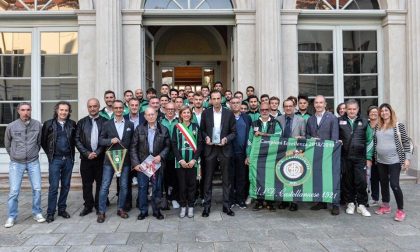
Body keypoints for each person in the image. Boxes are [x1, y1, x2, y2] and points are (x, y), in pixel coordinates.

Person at [4, 102, 46, 228]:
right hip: (16, 163)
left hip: (33, 161)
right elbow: (7, 144)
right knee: (14, 191)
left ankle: (37, 212)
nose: (25, 112)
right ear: (18, 111)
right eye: (23, 110)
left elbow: (39, 142)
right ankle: (11, 216)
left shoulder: (37, 125)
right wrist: (15, 154)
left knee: (37, 188)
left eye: (28, 109)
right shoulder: (11, 126)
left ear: (31, 110)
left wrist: (33, 152)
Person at [96, 100, 134, 223]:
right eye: (116, 108)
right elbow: (101, 140)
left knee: (124, 186)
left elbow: (133, 143)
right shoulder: (107, 124)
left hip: (125, 160)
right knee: (105, 185)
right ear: (113, 109)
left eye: (120, 108)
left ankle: (121, 209)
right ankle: (101, 211)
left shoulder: (130, 124)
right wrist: (109, 141)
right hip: (110, 160)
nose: (118, 110)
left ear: (124, 109)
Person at [200, 90, 237, 217]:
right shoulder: (206, 113)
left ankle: (226, 206)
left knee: (226, 179)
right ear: (210, 100)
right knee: (207, 179)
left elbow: (234, 132)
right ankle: (206, 207)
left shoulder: (229, 113)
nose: (216, 101)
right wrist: (206, 138)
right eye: (213, 99)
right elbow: (202, 131)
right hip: (210, 149)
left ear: (221, 99)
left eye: (218, 98)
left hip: (224, 149)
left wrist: (226, 139)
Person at [130, 107, 170, 220]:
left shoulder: (164, 129)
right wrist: (136, 163)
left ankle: (157, 211)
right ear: (145, 116)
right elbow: (133, 147)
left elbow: (168, 146)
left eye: (153, 114)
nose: (151, 116)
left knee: (157, 188)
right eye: (148, 114)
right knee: (142, 187)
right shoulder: (139, 129)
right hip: (143, 163)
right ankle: (143, 211)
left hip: (157, 163)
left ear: (156, 115)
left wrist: (160, 156)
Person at [374, 103, 411, 222]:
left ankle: (400, 210)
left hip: (395, 161)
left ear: (390, 112)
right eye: (382, 111)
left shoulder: (398, 126)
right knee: (383, 183)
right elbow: (375, 143)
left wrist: (407, 159)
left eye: (386, 110)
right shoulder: (378, 126)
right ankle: (386, 206)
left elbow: (406, 142)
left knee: (394, 184)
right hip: (381, 161)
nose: (384, 113)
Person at [41, 101, 77, 223]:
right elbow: (43, 142)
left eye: (66, 110)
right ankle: (50, 212)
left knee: (66, 185)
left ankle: (62, 209)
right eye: (61, 110)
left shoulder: (72, 124)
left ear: (69, 112)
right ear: (57, 110)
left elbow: (75, 141)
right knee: (54, 186)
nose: (63, 112)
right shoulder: (48, 124)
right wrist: (51, 155)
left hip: (68, 159)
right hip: (55, 160)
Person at [306, 95, 340, 215]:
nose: (319, 105)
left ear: (325, 104)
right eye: (316, 103)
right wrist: (311, 138)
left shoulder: (332, 118)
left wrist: (331, 153)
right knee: (318, 178)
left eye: (321, 103)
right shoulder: (310, 119)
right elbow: (307, 136)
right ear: (314, 105)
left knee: (333, 179)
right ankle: (321, 202)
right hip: (316, 155)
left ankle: (335, 204)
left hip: (329, 154)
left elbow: (335, 137)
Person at [338, 99, 372, 217]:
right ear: (346, 109)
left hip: (360, 158)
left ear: (358, 109)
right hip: (345, 157)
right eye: (349, 109)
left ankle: (361, 204)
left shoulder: (364, 121)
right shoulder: (339, 121)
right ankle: (351, 203)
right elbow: (335, 138)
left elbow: (369, 141)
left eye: (354, 109)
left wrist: (368, 158)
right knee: (348, 181)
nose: (352, 111)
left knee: (361, 181)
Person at [245, 102, 282, 211]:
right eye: (262, 110)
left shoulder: (276, 123)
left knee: (270, 178)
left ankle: (270, 202)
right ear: (259, 111)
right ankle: (259, 201)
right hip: (257, 156)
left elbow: (278, 136)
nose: (264, 111)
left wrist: (263, 134)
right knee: (258, 178)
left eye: (266, 109)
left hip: (271, 156)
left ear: (270, 110)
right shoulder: (254, 123)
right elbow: (250, 141)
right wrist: (248, 155)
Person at [75, 98, 106, 216]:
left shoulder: (105, 122)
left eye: (95, 106)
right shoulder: (81, 122)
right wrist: (87, 153)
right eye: (90, 106)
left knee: (100, 184)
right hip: (86, 159)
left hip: (101, 158)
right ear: (88, 108)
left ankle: (99, 205)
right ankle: (88, 206)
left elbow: (106, 139)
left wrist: (97, 152)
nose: (92, 108)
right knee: (87, 184)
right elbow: (77, 140)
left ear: (99, 107)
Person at [172, 106, 203, 218]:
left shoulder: (196, 127)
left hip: (193, 162)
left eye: (188, 113)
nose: (186, 114)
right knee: (182, 186)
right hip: (180, 162)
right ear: (180, 114)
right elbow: (174, 145)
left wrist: (194, 159)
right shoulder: (177, 127)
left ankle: (190, 207)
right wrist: (180, 160)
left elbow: (200, 144)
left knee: (192, 185)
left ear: (191, 114)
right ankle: (183, 206)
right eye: (184, 112)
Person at [276, 99, 306, 211]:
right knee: (282, 176)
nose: (288, 108)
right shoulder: (278, 119)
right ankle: (284, 200)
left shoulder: (301, 120)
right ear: (283, 108)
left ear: (294, 107)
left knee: (294, 176)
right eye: (286, 106)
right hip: (281, 152)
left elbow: (304, 137)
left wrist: (301, 139)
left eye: (290, 106)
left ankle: (294, 202)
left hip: (295, 152)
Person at [229, 97, 252, 209]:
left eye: (237, 103)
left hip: (242, 153)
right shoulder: (226, 116)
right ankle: (230, 199)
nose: (235, 105)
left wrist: (249, 153)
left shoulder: (247, 118)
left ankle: (240, 199)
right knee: (230, 177)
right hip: (228, 152)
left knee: (242, 177)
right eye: (233, 103)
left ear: (241, 104)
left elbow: (250, 136)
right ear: (229, 104)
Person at [123, 98, 145, 211]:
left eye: (136, 105)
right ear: (128, 106)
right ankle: (127, 203)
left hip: (141, 154)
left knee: (141, 180)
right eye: (132, 105)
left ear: (139, 106)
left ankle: (139, 202)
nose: (134, 107)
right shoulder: (124, 118)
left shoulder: (144, 117)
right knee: (126, 180)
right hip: (126, 154)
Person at [160, 102, 180, 210]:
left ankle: (174, 198)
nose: (170, 111)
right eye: (168, 109)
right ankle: (166, 198)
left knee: (176, 178)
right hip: (163, 155)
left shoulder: (179, 120)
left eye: (172, 109)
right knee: (164, 178)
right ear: (164, 109)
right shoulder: (160, 121)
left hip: (176, 155)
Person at [367, 105, 380, 206]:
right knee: (368, 177)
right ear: (368, 114)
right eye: (371, 112)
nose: (373, 113)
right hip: (367, 155)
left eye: (375, 112)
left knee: (377, 178)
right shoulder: (365, 125)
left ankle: (377, 198)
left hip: (379, 155)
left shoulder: (382, 125)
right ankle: (367, 197)